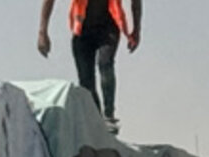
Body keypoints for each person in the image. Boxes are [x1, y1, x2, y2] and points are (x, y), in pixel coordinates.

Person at [37, 0, 141, 129]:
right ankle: (95, 118)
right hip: (82, 31)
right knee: (86, 81)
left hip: (108, 28)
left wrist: (136, 30)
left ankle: (109, 114)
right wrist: (43, 32)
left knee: (105, 64)